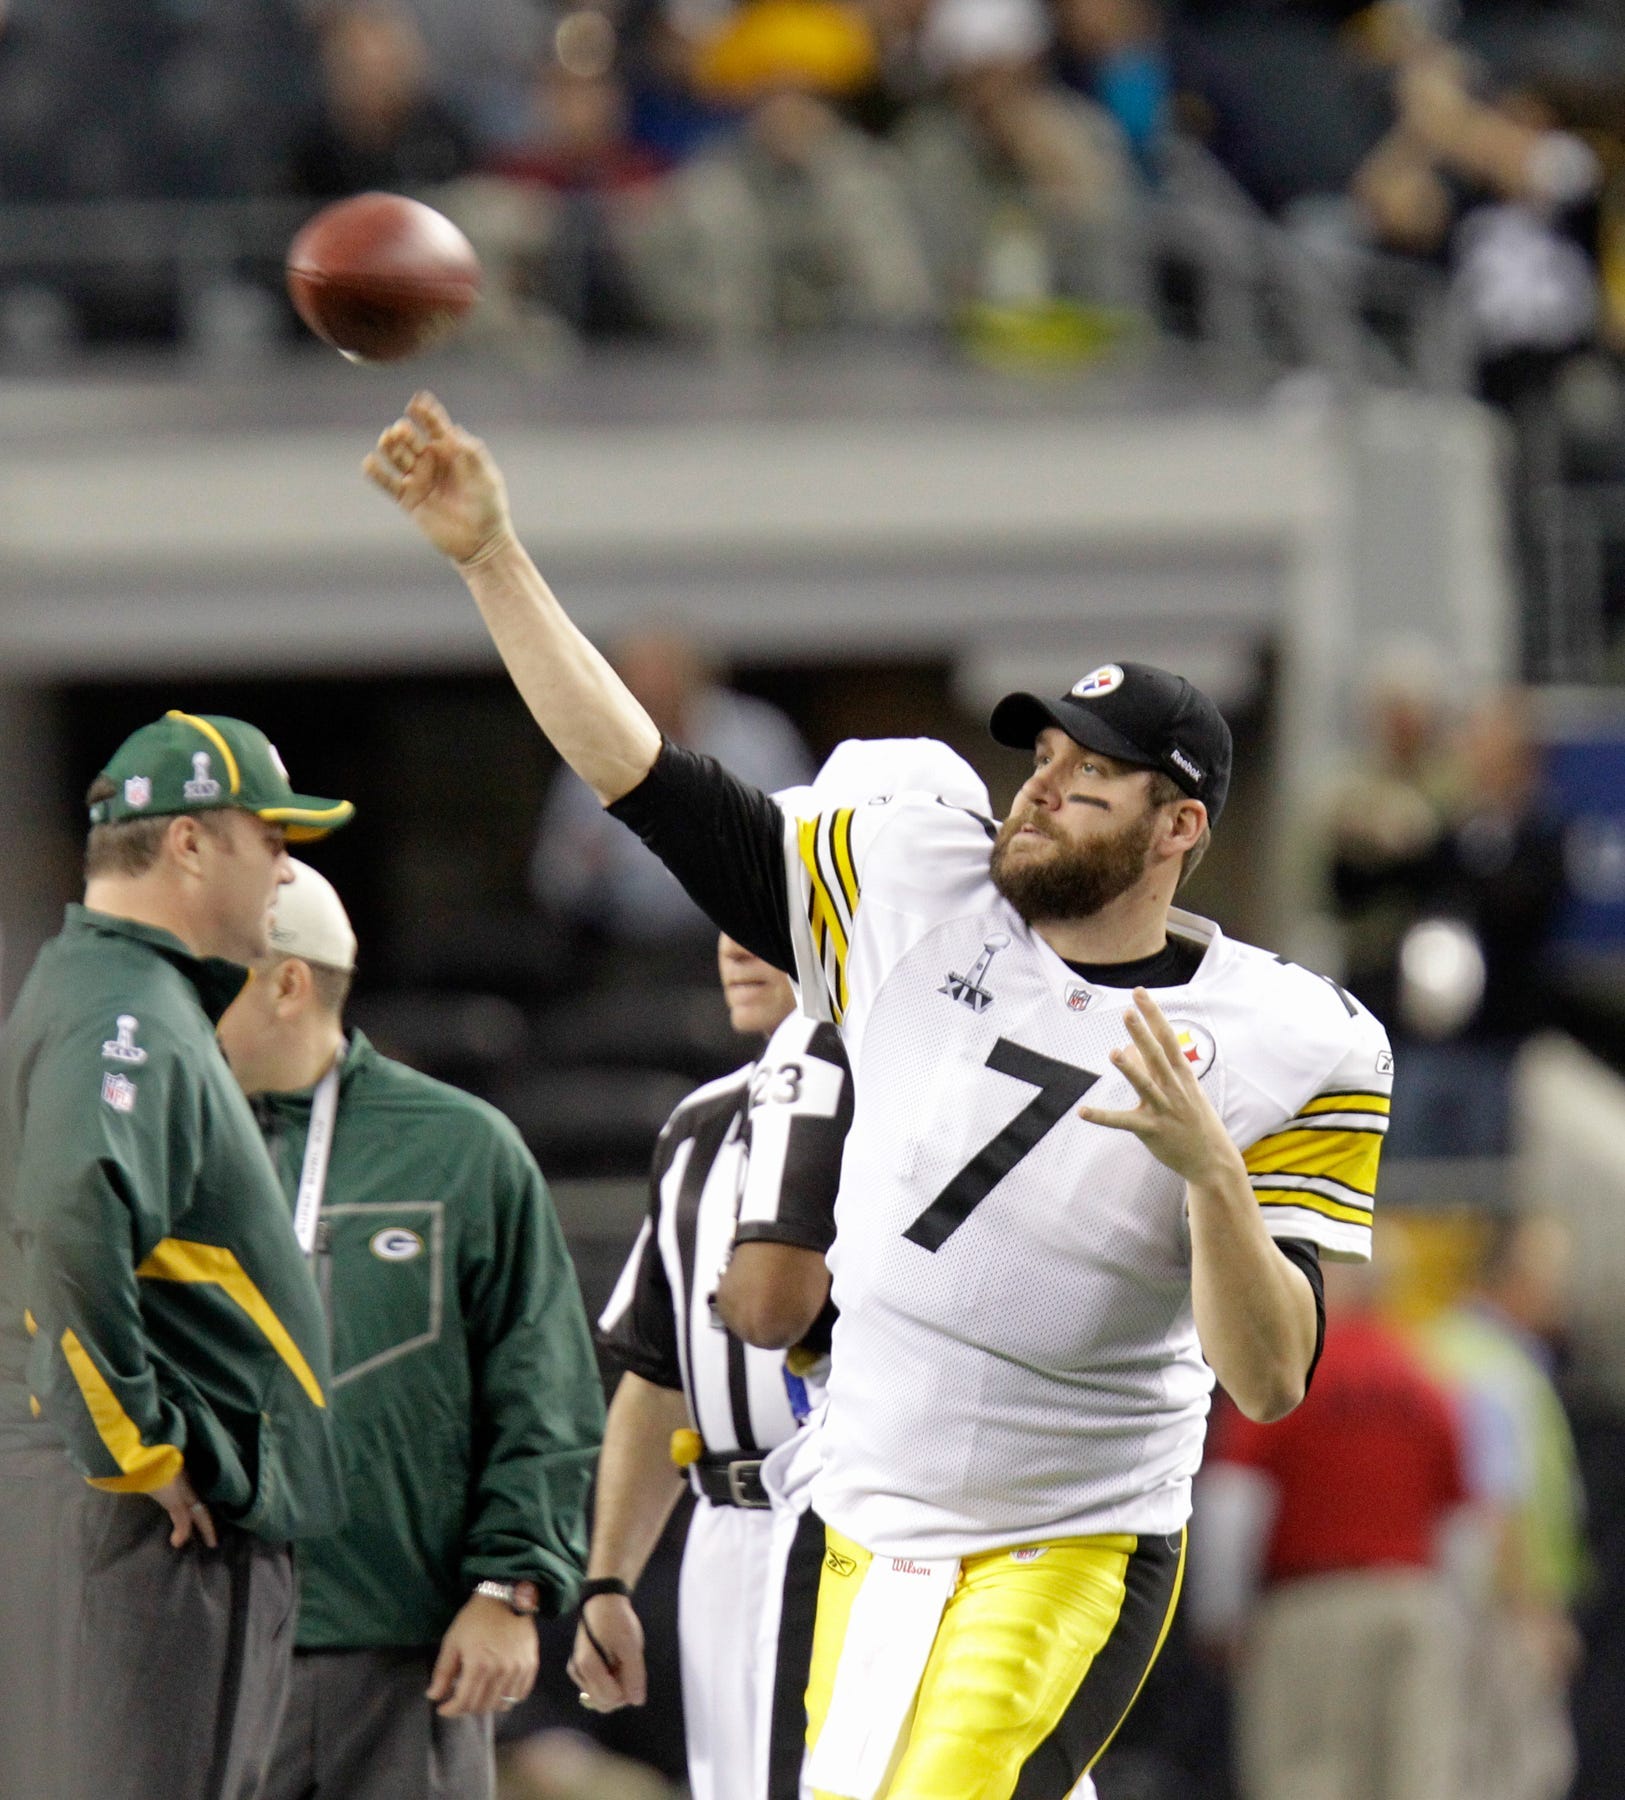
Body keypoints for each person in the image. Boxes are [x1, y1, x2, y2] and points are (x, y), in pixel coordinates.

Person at [364, 391, 1394, 1800]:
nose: (1042, 794)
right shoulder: (918, 896)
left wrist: (1211, 1176)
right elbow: (642, 779)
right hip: (870, 1516)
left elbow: (1270, 1381)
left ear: (1181, 827)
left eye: (1093, 779)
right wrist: (491, 559)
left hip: (1073, 1530)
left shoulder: (1289, 1036)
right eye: (1041, 760)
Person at [0, 709, 353, 1800]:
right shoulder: (126, 1010)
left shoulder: (118, 995)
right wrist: (138, 1449)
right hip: (151, 1535)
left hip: (136, 1527)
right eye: (272, 841)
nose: (287, 876)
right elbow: (67, 1213)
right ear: (190, 842)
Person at [214, 859, 605, 1800]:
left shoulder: (460, 1148)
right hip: (195, 1646)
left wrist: (508, 1589)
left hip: (400, 1649)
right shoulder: (149, 1140)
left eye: (203, 975)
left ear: (287, 983)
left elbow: (542, 1387)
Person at [574, 926, 854, 1800]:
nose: (735, 950)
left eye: (768, 927)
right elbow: (660, 1373)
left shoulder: (903, 1106)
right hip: (720, 1528)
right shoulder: (697, 1125)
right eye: (726, 923)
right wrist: (608, 1577)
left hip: (852, 1528)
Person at [1192, 1257, 1474, 1800]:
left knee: (1308, 1779)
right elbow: (1462, 1520)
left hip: (1310, 1609)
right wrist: (1457, 1615)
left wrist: (1221, 1615)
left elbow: (1234, 1500)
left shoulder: (1290, 1375)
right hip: (1414, 1606)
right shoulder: (1426, 1378)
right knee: (1421, 1778)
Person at [1424, 1212, 1588, 1800]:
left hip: (1447, 1598)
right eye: (1551, 1274)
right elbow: (1498, 1500)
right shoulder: (1497, 1369)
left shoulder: (1440, 1344)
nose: (1561, 1289)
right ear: (1510, 1278)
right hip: (1495, 1606)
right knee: (1520, 1771)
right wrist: (1531, 1610)